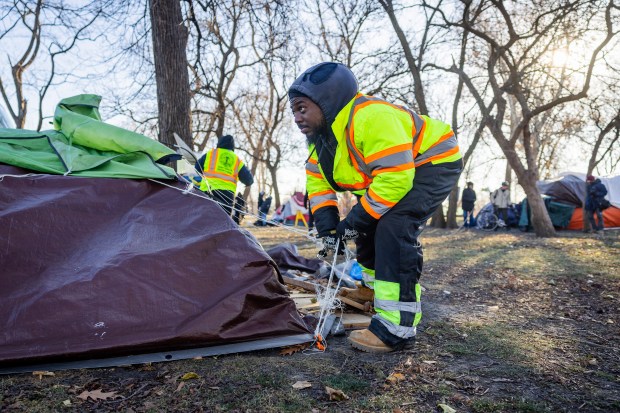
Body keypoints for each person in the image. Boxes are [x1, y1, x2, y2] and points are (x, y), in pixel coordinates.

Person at [288, 62, 462, 353]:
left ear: (327, 101)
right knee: (367, 227)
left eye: (302, 108)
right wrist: (329, 229)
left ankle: (398, 328)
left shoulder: (372, 117)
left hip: (431, 162)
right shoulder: (320, 143)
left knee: (394, 226)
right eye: (293, 111)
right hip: (394, 174)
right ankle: (371, 291)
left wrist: (354, 222)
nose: (296, 117)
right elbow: (318, 187)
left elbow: (396, 179)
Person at [195, 135, 253, 217]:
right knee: (223, 223)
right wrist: (247, 183)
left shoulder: (210, 154)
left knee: (205, 220)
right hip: (227, 196)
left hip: (207, 192)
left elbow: (197, 168)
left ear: (219, 144)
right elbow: (249, 180)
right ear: (232, 146)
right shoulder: (236, 159)